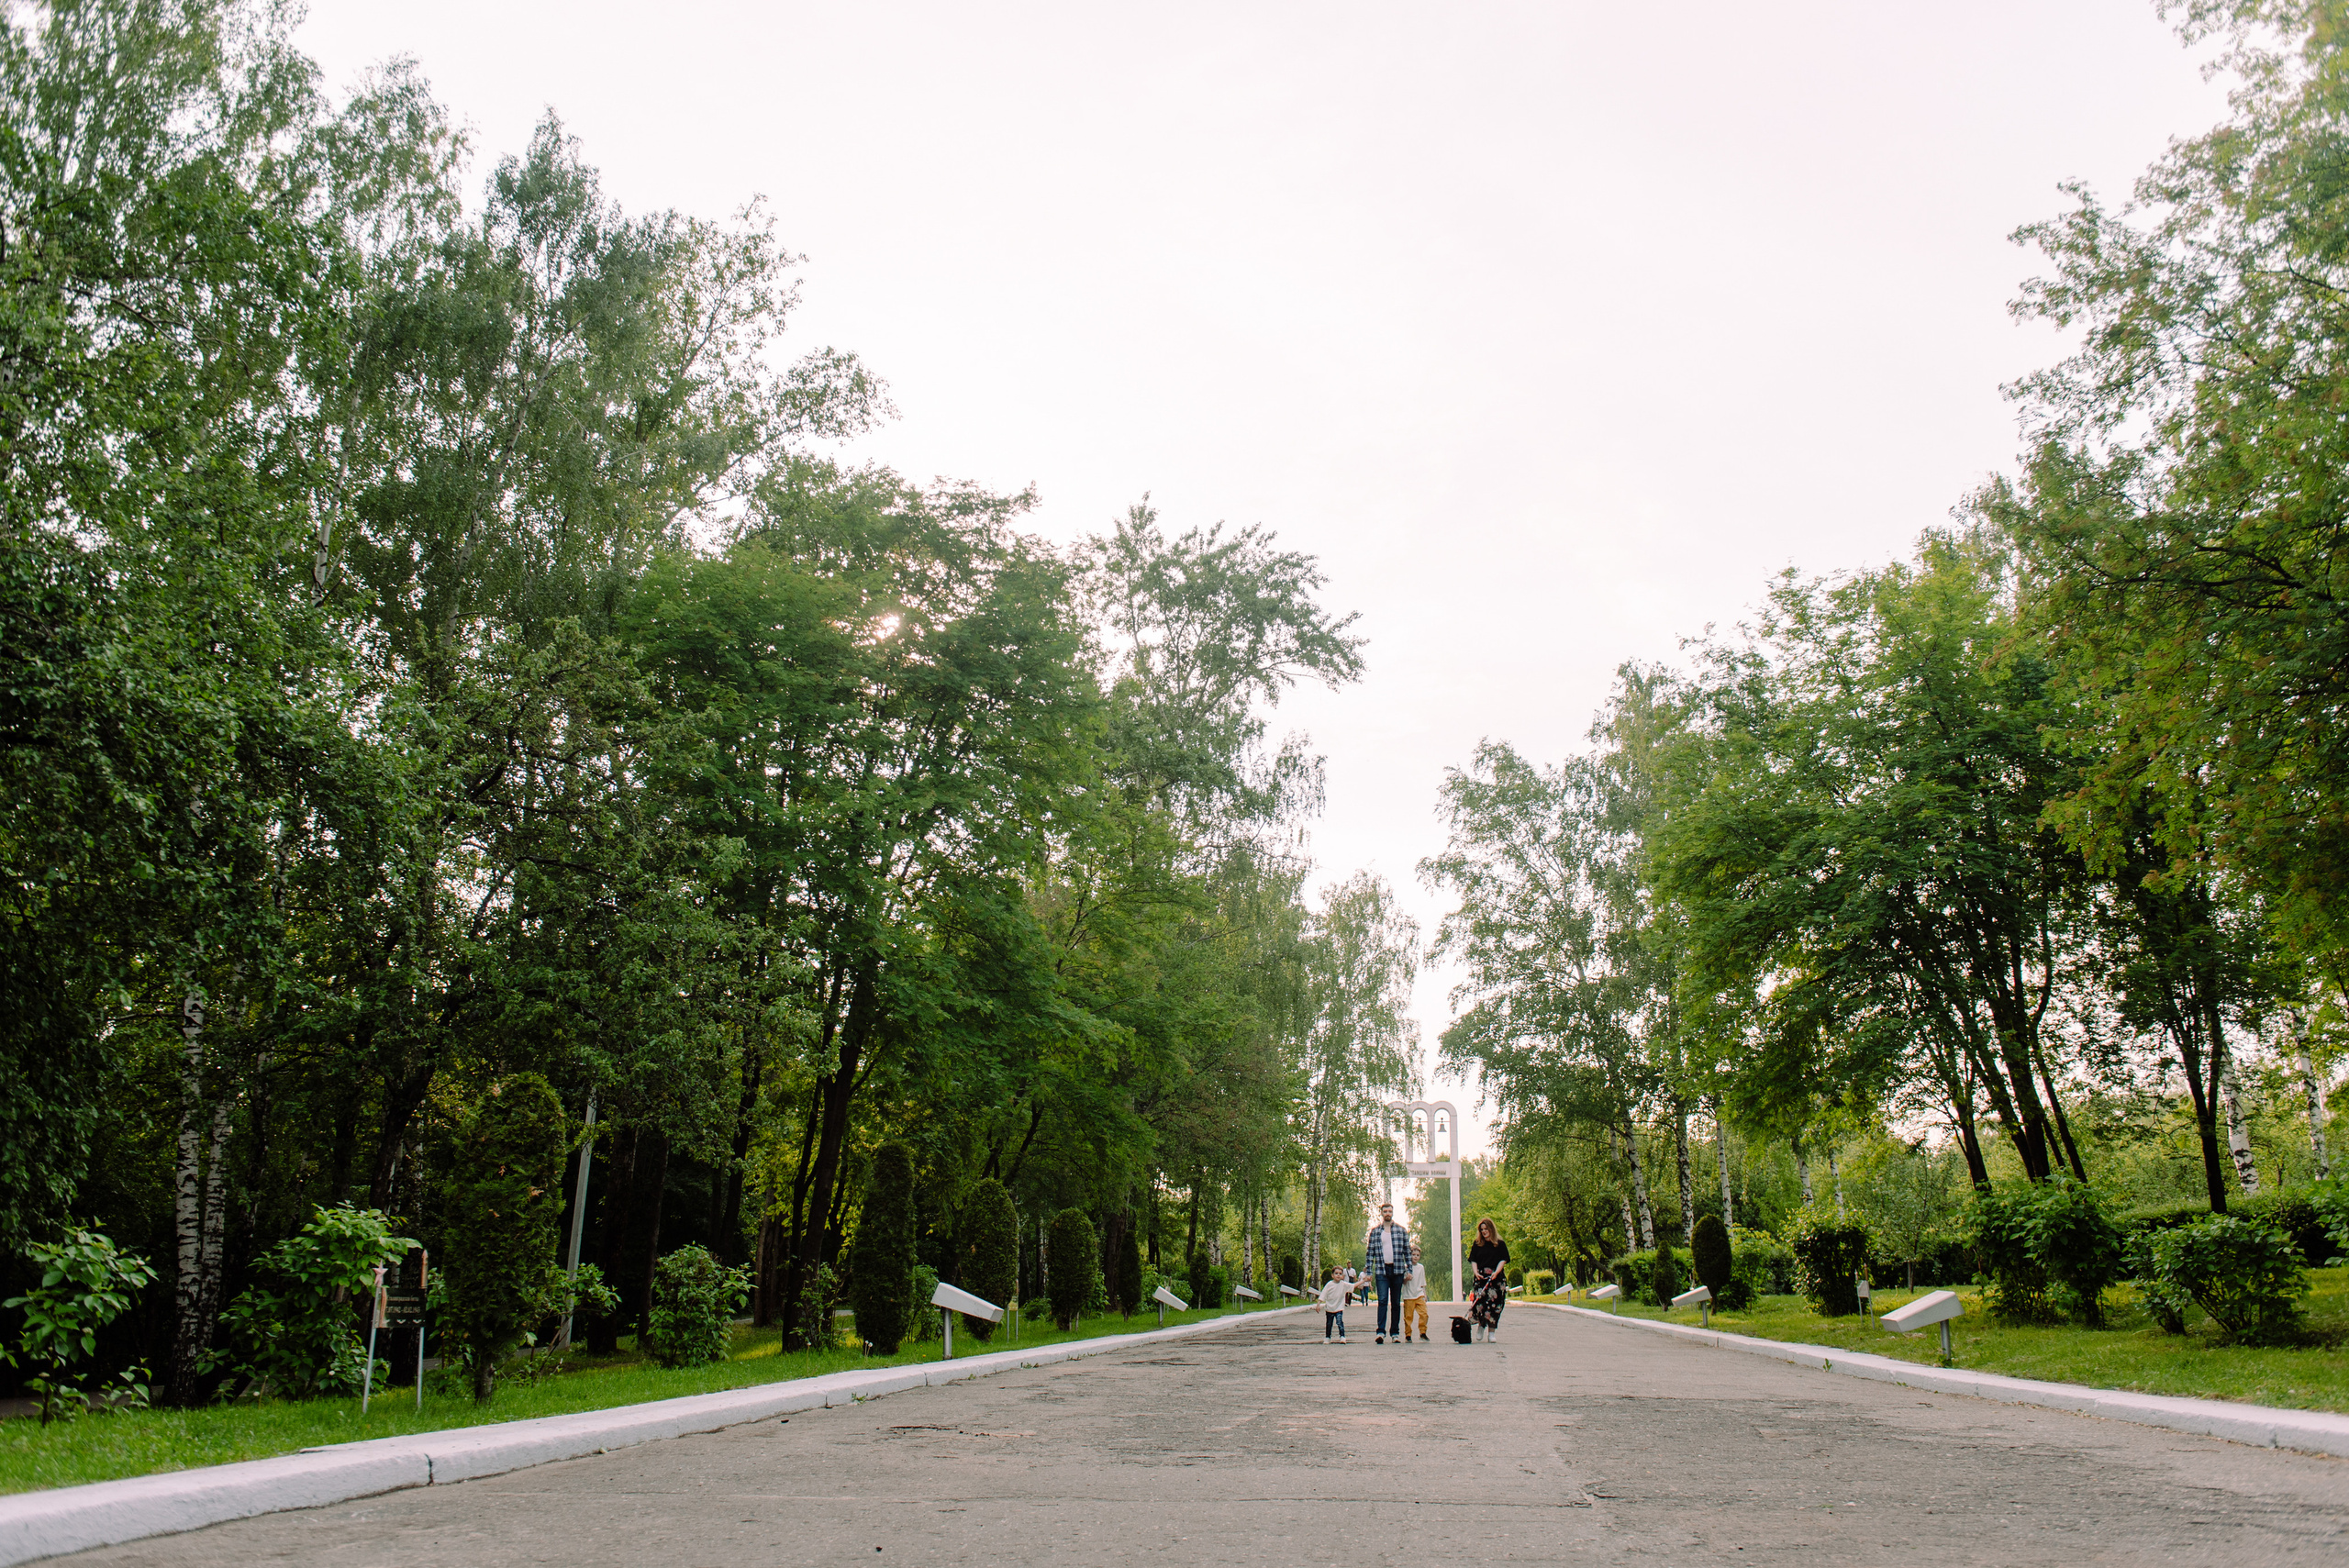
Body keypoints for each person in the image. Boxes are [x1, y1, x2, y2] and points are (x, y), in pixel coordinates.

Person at [1364, 1201, 1417, 1344]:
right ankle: (1381, 1332)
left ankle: (1395, 1333)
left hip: (1398, 1269)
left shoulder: (1401, 1230)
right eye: (1385, 1211)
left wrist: (1409, 1271)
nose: (1387, 1214)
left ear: (1392, 1213)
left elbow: (1407, 1251)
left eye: (1389, 1212)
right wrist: (1369, 1271)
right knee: (1382, 1301)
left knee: (1395, 1303)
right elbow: (1370, 1254)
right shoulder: (1375, 1232)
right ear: (1381, 1213)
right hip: (1382, 1270)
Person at [1467, 1217, 1510, 1342]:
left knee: (1495, 1306)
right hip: (1481, 1278)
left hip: (1496, 1279)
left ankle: (1492, 1332)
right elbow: (1473, 1260)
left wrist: (1496, 1272)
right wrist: (1476, 1272)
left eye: (1486, 1229)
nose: (1484, 1232)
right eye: (1482, 1230)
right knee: (1480, 1304)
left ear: (1491, 1229)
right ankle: (1481, 1326)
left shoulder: (1500, 1244)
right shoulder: (1477, 1244)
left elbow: (1504, 1259)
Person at [1317, 1265, 1351, 1342]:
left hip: (1339, 1308)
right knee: (1329, 1324)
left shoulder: (1343, 1284)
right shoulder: (1329, 1284)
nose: (1338, 1275)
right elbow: (1323, 1294)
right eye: (1336, 1273)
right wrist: (1318, 1304)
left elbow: (1353, 1286)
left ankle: (1342, 1336)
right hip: (1329, 1308)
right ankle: (1327, 1337)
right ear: (1332, 1275)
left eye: (1340, 1273)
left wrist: (1363, 1281)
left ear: (1342, 1276)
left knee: (1339, 1322)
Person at [1401, 1257, 1430, 1341]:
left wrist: (1424, 1294)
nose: (1415, 1257)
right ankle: (1408, 1334)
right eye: (1413, 1254)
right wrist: (1407, 1278)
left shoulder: (1421, 1267)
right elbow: (1403, 1282)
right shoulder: (1405, 1267)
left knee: (1424, 1314)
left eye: (1417, 1255)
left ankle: (1423, 1332)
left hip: (1419, 1294)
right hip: (1408, 1295)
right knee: (1408, 1316)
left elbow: (1422, 1281)